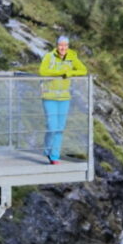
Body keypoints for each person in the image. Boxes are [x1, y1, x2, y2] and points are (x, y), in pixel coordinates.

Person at [38, 35, 87, 164]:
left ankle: (54, 156)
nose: (63, 48)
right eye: (61, 45)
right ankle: (47, 150)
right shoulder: (49, 56)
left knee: (60, 128)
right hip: (49, 96)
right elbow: (42, 71)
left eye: (65, 45)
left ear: (68, 46)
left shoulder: (72, 57)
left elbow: (83, 70)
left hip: (64, 97)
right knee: (52, 126)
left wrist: (70, 73)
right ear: (56, 45)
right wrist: (59, 73)